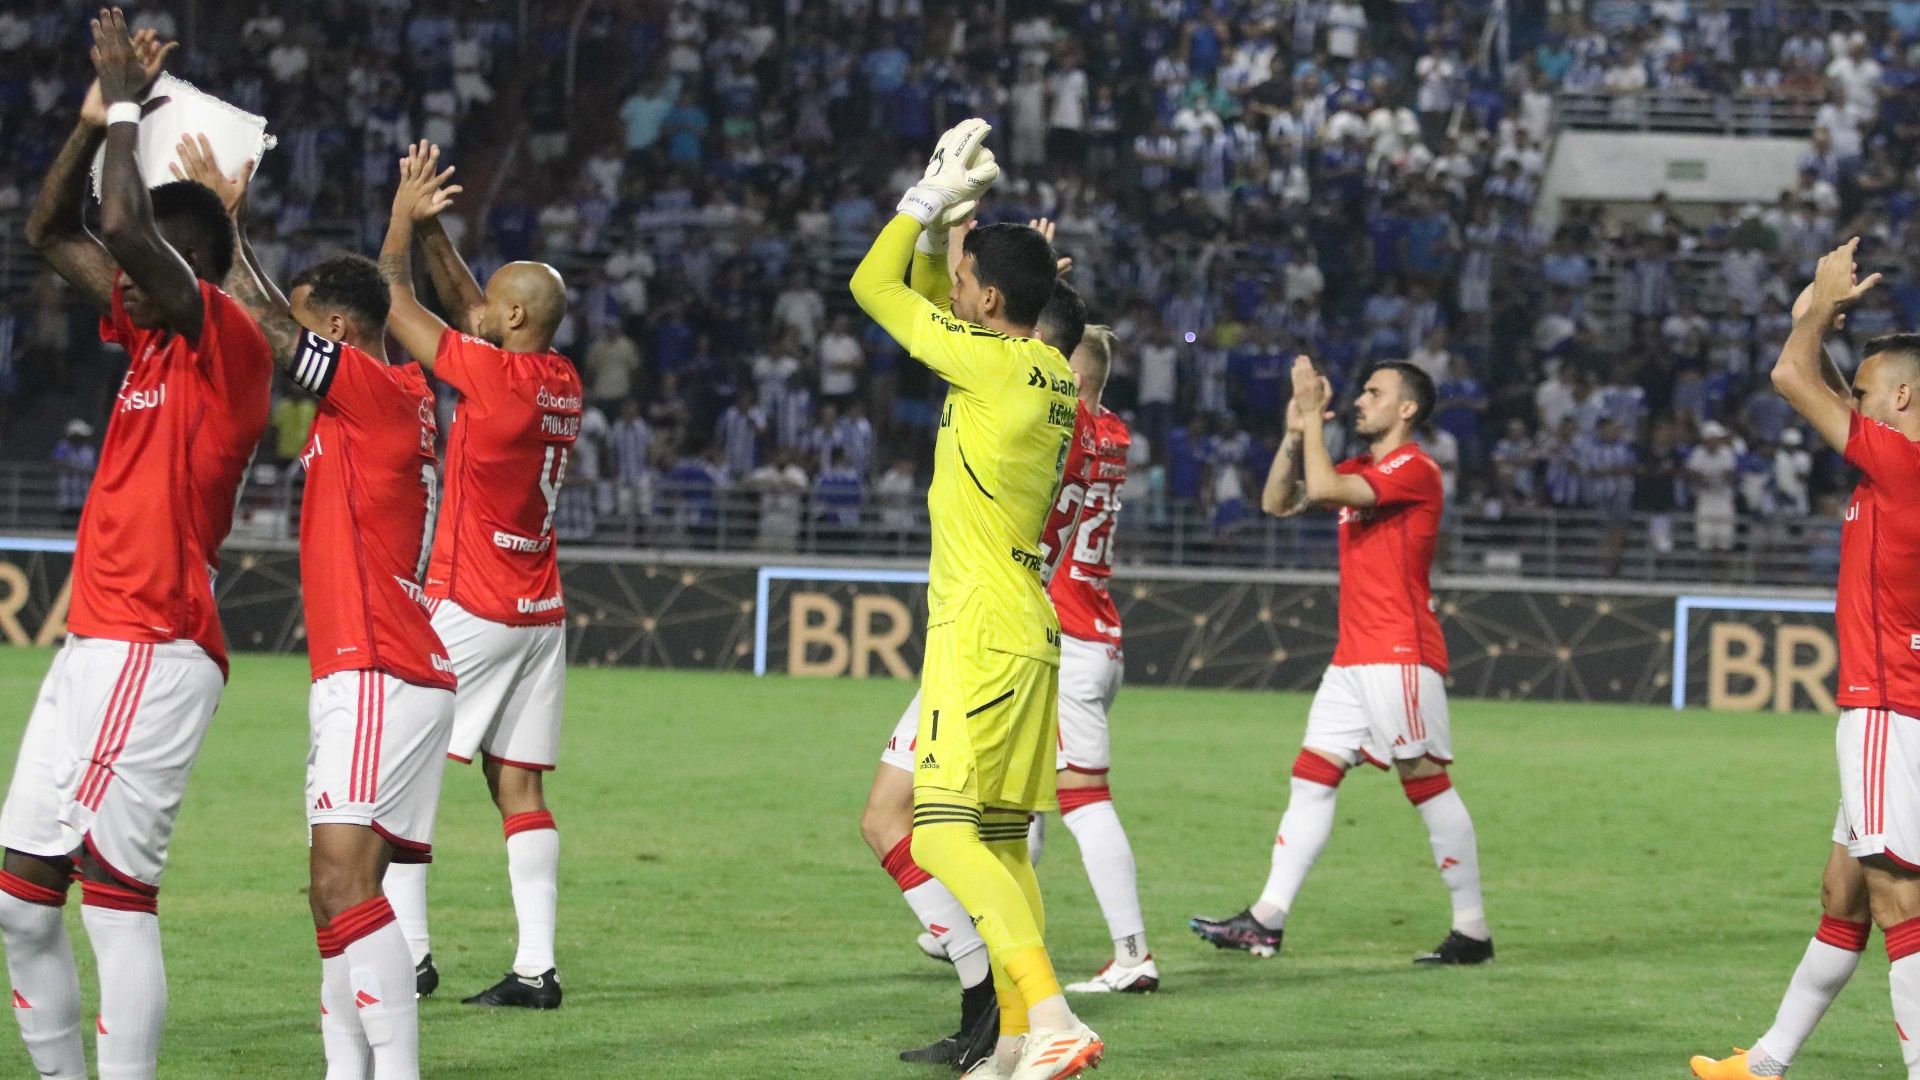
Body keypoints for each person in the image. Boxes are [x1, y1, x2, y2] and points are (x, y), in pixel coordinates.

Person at [0, 15, 271, 1079]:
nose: (129, 246)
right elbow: (47, 230)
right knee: (22, 896)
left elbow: (117, 225)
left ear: (184, 258)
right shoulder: (151, 330)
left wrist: (126, 106)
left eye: (152, 240)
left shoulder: (226, 338)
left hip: (154, 640)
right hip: (95, 644)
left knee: (113, 899)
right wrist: (84, 120)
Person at [850, 119, 1101, 1080]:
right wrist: (947, 227)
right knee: (1002, 843)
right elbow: (919, 297)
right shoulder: (1035, 366)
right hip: (1026, 627)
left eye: (963, 287)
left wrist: (921, 200)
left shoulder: (992, 365)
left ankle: (1052, 1015)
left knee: (943, 834)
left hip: (983, 631)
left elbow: (873, 292)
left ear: (990, 301)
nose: (949, 297)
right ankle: (1015, 1038)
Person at [1691, 245, 1919, 1079]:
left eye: (1863, 396)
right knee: (1844, 894)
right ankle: (1764, 1063)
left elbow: (1792, 380)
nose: (1848, 406)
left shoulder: (1900, 462)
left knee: (1901, 902)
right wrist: (1813, 316)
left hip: (1889, 706)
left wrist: (1818, 310)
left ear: (1901, 398)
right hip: (1898, 709)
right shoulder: (1900, 462)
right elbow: (1813, 373)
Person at [232, 241, 455, 1077]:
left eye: (303, 327)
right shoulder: (384, 398)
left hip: (378, 669)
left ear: (333, 329)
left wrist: (227, 224)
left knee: (342, 888)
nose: (289, 344)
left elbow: (256, 319)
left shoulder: (370, 388)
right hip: (378, 671)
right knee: (336, 893)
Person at [1192, 359, 1493, 967]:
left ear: (1406, 409)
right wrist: (1296, 433)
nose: (1359, 401)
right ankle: (1266, 920)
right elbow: (1278, 502)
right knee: (1311, 776)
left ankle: (1473, 930)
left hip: (1399, 652)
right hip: (1355, 655)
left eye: (1374, 393)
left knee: (1425, 781)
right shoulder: (1360, 467)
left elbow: (1324, 489)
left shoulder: (1416, 467)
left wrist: (1310, 415)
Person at [376, 141, 580, 1009]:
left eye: (494, 304)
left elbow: (394, 303)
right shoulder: (557, 376)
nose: (479, 309)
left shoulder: (492, 384)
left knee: (399, 769)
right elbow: (468, 306)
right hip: (540, 608)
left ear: (513, 320)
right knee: (518, 784)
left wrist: (399, 218)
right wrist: (437, 232)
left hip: (474, 602)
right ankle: (538, 969)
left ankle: (412, 955)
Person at [1027, 326, 1157, 995]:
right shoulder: (1115, 432)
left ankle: (1133, 954)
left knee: (1081, 798)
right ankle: (970, 930)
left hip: (1069, 638)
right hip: (1097, 636)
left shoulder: (1067, 431)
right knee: (1022, 793)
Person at [52, 421, 95, 527]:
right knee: (66, 523)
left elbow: (93, 469)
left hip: (84, 494)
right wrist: (78, 469)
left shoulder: (88, 450)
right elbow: (57, 462)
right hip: (68, 494)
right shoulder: (63, 447)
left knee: (82, 524)